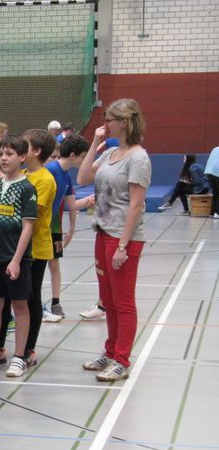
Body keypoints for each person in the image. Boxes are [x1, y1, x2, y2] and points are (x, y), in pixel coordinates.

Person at [77, 98, 151, 382]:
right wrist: (95, 143)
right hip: (102, 232)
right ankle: (110, 352)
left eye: (109, 119)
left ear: (124, 122)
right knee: (108, 299)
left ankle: (121, 359)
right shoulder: (110, 153)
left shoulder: (138, 158)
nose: (105, 124)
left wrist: (123, 245)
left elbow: (136, 204)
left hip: (123, 237)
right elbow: (83, 177)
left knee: (123, 301)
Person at [0, 134, 37, 378]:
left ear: (22, 157)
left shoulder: (27, 188)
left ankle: (20, 357)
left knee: (20, 305)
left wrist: (16, 260)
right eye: (1, 153)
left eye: (10, 154)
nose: (4, 158)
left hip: (16, 259)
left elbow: (28, 227)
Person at [21, 128, 60, 369]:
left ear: (35, 151)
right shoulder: (22, 174)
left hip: (35, 248)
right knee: (17, 298)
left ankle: (29, 348)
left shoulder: (45, 180)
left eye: (24, 145)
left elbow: (31, 214)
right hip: (16, 246)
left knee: (31, 296)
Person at [45, 134, 92, 318]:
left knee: (54, 264)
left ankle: (56, 303)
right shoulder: (50, 171)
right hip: (40, 227)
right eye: (83, 156)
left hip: (53, 225)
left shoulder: (66, 176)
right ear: (73, 155)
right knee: (34, 267)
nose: (85, 160)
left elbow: (72, 204)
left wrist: (72, 229)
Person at [205, 145, 219, 219]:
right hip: (217, 172)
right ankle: (217, 213)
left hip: (209, 172)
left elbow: (209, 160)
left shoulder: (215, 148)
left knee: (215, 193)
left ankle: (212, 212)